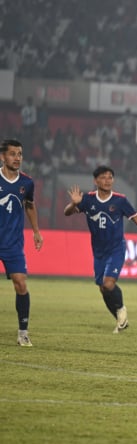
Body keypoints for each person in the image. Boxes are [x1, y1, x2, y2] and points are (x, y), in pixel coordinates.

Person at [64, 165, 137, 333]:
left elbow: (136, 218)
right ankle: (120, 318)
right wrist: (73, 204)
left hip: (116, 248)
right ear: (96, 181)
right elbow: (67, 213)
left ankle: (121, 309)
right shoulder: (87, 199)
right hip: (98, 252)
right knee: (103, 288)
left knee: (108, 283)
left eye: (110, 177)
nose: (107, 180)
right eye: (103, 177)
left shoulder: (120, 200)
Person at [0, 139, 44, 346]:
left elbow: (30, 205)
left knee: (21, 283)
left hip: (12, 243)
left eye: (19, 154)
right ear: (2, 156)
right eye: (12, 154)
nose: (17, 158)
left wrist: (36, 231)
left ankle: (23, 332)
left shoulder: (27, 183)